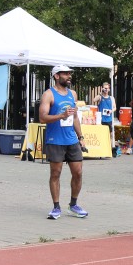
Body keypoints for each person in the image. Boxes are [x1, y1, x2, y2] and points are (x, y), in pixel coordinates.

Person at [38, 65, 88, 219]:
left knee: (78, 173)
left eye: (69, 73)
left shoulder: (72, 94)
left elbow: (75, 117)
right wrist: (61, 115)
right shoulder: (48, 95)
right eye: (65, 74)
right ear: (56, 76)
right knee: (55, 173)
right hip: (55, 140)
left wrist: (81, 137)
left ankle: (73, 205)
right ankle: (56, 207)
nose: (69, 76)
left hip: (71, 139)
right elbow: (42, 118)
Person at [95, 82, 116, 154]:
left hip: (109, 119)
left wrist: (111, 111)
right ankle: (101, 149)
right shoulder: (100, 97)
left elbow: (114, 107)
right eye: (105, 88)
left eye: (107, 88)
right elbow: (94, 100)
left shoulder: (111, 98)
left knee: (111, 134)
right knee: (101, 134)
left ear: (109, 89)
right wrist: (101, 93)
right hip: (101, 119)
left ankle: (110, 149)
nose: (106, 90)